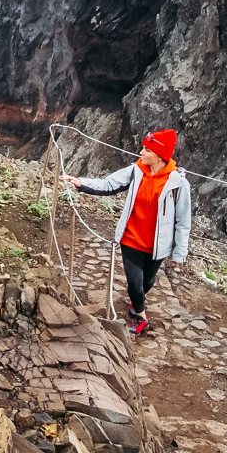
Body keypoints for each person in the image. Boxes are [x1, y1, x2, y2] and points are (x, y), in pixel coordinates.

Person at [61, 129, 192, 335]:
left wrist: (179, 253)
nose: (141, 152)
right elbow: (108, 184)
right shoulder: (135, 171)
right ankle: (142, 318)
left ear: (159, 155)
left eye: (147, 149)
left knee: (147, 282)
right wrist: (81, 183)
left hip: (157, 245)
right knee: (134, 282)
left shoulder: (178, 184)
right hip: (130, 239)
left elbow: (183, 221)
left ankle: (136, 301)